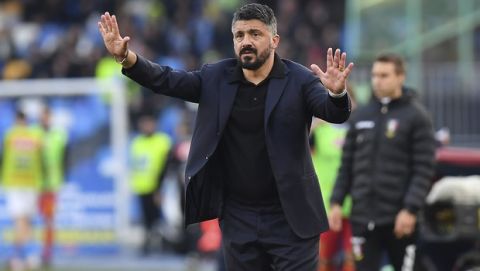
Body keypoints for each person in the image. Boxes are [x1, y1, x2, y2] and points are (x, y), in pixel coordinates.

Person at [98, 3, 354, 270]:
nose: (246, 41)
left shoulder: (300, 79)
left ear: (274, 40)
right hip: (238, 216)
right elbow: (167, 80)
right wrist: (127, 58)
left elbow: (333, 113)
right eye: (239, 35)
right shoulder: (215, 77)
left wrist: (336, 94)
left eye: (255, 34)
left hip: (292, 216)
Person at [329, 53, 436, 271]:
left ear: (400, 77)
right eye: (374, 75)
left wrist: (410, 209)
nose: (377, 80)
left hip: (399, 219)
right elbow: (347, 165)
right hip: (363, 217)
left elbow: (424, 168)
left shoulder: (417, 117)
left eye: (384, 75)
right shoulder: (360, 116)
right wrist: (336, 201)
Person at [310, 88, 356, 271]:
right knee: (323, 258)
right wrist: (312, 125)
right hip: (324, 204)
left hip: (353, 203)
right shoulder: (319, 130)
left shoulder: (357, 130)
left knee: (352, 257)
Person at [1, 110, 43, 270]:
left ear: (16, 120)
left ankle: (19, 257)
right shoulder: (34, 137)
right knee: (26, 221)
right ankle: (28, 256)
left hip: (14, 183)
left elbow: (3, 157)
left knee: (21, 221)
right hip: (30, 183)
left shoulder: (10, 136)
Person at [130, 115, 171, 255]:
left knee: (161, 217)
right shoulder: (137, 142)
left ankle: (164, 243)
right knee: (147, 218)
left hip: (159, 187)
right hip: (142, 186)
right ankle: (148, 243)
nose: (147, 126)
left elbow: (166, 166)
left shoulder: (163, 141)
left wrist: (161, 188)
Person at [37, 107, 68, 267]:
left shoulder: (59, 135)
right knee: (32, 218)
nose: (45, 120)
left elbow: (65, 158)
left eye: (47, 117)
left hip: (51, 185)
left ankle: (47, 252)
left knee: (49, 220)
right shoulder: (34, 134)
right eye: (43, 117)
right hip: (34, 184)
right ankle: (30, 251)